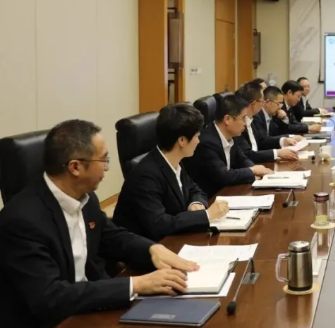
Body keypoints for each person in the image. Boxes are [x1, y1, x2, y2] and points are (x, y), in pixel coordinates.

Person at [0, 120, 199, 328]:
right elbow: (51, 297)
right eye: (103, 159)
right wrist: (136, 284)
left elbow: (111, 236)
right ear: (75, 167)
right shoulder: (22, 221)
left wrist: (152, 249)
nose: (106, 167)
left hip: (89, 305)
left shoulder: (86, 198)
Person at [112, 104, 232, 241]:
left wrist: (196, 204)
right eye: (197, 136)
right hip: (146, 247)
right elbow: (159, 224)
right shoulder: (145, 176)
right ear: (182, 140)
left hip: (172, 238)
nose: (199, 141)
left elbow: (195, 189)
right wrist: (206, 215)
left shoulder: (174, 161)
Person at [184, 95, 273, 196]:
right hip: (210, 198)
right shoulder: (206, 143)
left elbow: (242, 159)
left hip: (226, 192)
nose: (246, 123)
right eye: (243, 118)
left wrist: (256, 169)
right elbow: (223, 176)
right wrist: (252, 171)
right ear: (227, 119)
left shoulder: (231, 135)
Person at [235, 84, 299, 163]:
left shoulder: (250, 119)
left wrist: (283, 141)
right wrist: (277, 153)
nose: (263, 104)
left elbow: (261, 142)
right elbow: (247, 154)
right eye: (262, 101)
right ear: (254, 103)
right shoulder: (240, 123)